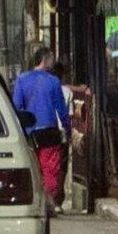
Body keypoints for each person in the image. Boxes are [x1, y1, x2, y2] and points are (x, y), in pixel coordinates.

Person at [12, 46, 70, 215]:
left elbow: (16, 107)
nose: (53, 62)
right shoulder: (53, 81)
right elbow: (61, 109)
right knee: (49, 168)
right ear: (45, 59)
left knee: (32, 167)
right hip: (49, 132)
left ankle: (34, 202)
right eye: (52, 58)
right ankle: (49, 202)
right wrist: (67, 128)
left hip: (28, 132)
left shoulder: (22, 80)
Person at [51, 60, 75, 210]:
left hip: (45, 131)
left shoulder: (42, 89)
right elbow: (69, 115)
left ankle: (49, 196)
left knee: (47, 165)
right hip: (62, 133)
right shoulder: (67, 92)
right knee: (61, 166)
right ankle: (58, 199)